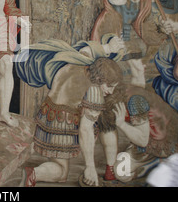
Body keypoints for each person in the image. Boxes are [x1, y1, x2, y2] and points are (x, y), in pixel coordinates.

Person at [15, 37, 124, 186]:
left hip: (47, 115)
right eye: (109, 86)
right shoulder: (94, 90)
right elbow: (85, 129)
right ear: (99, 78)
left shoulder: (80, 60)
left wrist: (107, 49)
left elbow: (86, 49)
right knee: (61, 173)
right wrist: (90, 167)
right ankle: (32, 173)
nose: (110, 91)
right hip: (61, 124)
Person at [91, 0, 170, 87]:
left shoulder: (143, 3)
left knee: (138, 67)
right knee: (110, 66)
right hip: (110, 30)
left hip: (127, 35)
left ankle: (138, 89)